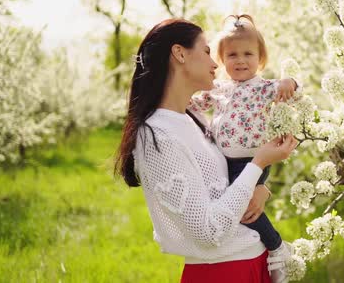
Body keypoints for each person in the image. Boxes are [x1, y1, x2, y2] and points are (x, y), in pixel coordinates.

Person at [114, 18, 298, 283]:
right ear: (179, 54)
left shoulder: (194, 118)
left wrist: (260, 188)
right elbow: (208, 233)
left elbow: (224, 182)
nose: (216, 64)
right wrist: (257, 164)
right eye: (208, 52)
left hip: (253, 261)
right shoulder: (158, 135)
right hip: (223, 272)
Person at [188, 14, 300, 283]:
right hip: (226, 162)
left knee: (244, 209)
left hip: (254, 159)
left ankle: (276, 247)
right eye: (233, 54)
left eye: (248, 54)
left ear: (260, 59)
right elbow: (194, 103)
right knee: (235, 207)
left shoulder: (262, 88)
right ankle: (269, 246)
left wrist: (291, 82)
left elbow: (295, 90)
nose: (240, 60)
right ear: (222, 60)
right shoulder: (219, 88)